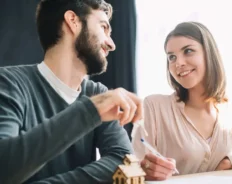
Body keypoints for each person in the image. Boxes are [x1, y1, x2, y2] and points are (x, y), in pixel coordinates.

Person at [0, 0, 143, 183]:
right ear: (73, 21)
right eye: (103, 28)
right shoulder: (8, 84)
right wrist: (91, 110)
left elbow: (122, 159)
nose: (112, 44)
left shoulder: (97, 92)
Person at [132, 21, 232, 181]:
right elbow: (135, 166)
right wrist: (144, 169)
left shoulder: (228, 110)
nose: (178, 63)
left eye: (188, 51)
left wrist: (230, 162)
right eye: (171, 57)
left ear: (209, 53)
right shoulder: (154, 106)